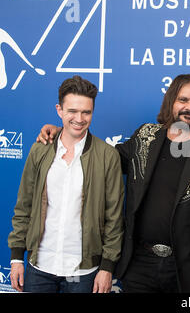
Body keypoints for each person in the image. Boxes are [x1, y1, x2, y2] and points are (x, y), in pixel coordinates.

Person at [36, 74, 190, 293]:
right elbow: (105, 158)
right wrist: (66, 134)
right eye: (183, 100)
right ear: (171, 102)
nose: (189, 107)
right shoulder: (146, 136)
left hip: (187, 268)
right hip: (140, 263)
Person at [8, 75, 124, 293]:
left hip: (84, 272)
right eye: (72, 111)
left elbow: (114, 218)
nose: (79, 119)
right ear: (59, 110)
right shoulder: (40, 150)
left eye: (86, 112)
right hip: (39, 266)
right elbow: (24, 206)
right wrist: (16, 258)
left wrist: (107, 267)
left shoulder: (107, 156)